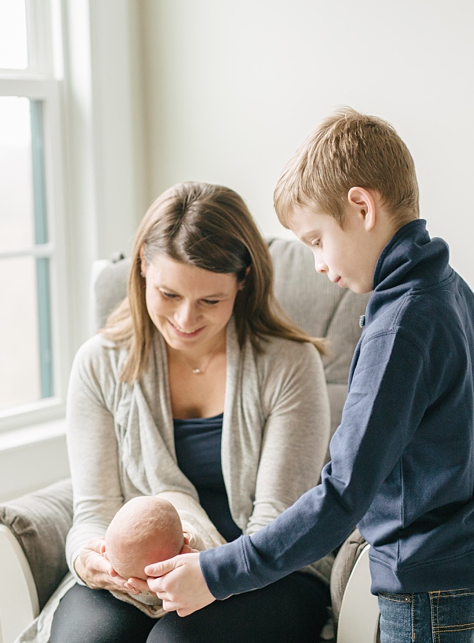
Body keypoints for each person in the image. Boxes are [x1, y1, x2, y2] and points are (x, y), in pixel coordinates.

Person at [146, 109, 474, 643]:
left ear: (361, 207)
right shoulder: (456, 294)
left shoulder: (399, 327)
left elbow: (343, 493)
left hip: (429, 581)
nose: (318, 263)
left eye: (317, 239)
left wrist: (215, 574)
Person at [39, 182, 334, 643]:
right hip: (139, 571)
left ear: (244, 280)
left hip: (267, 567)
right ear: (141, 270)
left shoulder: (290, 364)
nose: (185, 319)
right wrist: (90, 561)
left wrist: (209, 571)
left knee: (176, 642)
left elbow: (277, 521)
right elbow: (93, 511)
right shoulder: (98, 363)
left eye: (210, 301)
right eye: (169, 295)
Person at [101, 496, 187, 614]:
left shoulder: (193, 554)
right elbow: (90, 515)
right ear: (105, 552)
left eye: (155, 577)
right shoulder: (111, 551)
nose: (140, 589)